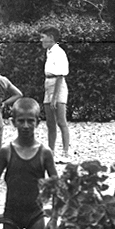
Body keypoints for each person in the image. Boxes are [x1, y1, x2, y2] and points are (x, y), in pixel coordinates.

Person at [0, 98, 59, 229]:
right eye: (21, 121)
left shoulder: (45, 153)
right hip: (11, 215)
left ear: (38, 122)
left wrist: (54, 218)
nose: (26, 126)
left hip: (36, 214)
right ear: (13, 122)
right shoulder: (7, 151)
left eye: (30, 121)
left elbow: (56, 185)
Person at [40, 26, 71, 158]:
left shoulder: (59, 52)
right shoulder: (49, 52)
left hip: (58, 86)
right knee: (50, 122)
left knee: (61, 121)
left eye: (43, 37)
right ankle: (51, 151)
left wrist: (54, 98)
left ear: (51, 38)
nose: (41, 40)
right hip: (48, 84)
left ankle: (65, 152)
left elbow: (60, 75)